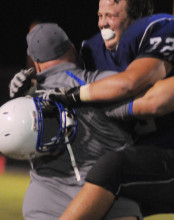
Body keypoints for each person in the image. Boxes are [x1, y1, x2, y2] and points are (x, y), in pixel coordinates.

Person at [42, 0, 174, 220]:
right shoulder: (93, 50)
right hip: (140, 159)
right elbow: (62, 78)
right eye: (100, 15)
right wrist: (32, 84)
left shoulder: (159, 29)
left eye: (111, 15)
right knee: (99, 202)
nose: (103, 22)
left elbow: (134, 86)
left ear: (138, 19)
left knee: (113, 168)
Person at [16, 23, 144, 220]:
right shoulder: (107, 83)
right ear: (73, 49)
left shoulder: (29, 97)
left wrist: (22, 98)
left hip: (44, 204)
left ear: (36, 63)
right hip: (108, 201)